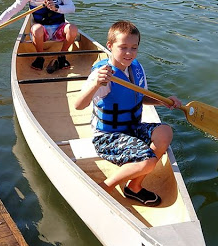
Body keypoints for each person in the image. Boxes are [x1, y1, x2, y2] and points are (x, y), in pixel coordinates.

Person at [74, 20, 182, 206]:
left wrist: (164, 102)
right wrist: (94, 84)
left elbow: (141, 97)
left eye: (134, 48)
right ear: (110, 46)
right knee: (147, 161)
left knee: (165, 132)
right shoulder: (102, 74)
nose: (129, 53)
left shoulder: (136, 69)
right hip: (108, 137)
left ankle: (134, 187)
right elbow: (78, 105)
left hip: (132, 128)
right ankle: (105, 187)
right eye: (123, 47)